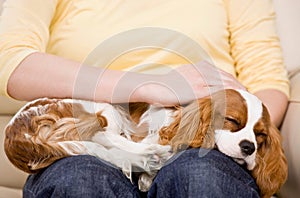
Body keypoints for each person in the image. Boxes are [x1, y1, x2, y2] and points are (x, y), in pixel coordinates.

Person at [0, 0, 289, 197]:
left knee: (199, 176)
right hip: (87, 141)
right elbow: (10, 61)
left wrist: (235, 128)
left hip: (203, 145)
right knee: (81, 180)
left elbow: (268, 82)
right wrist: (148, 86)